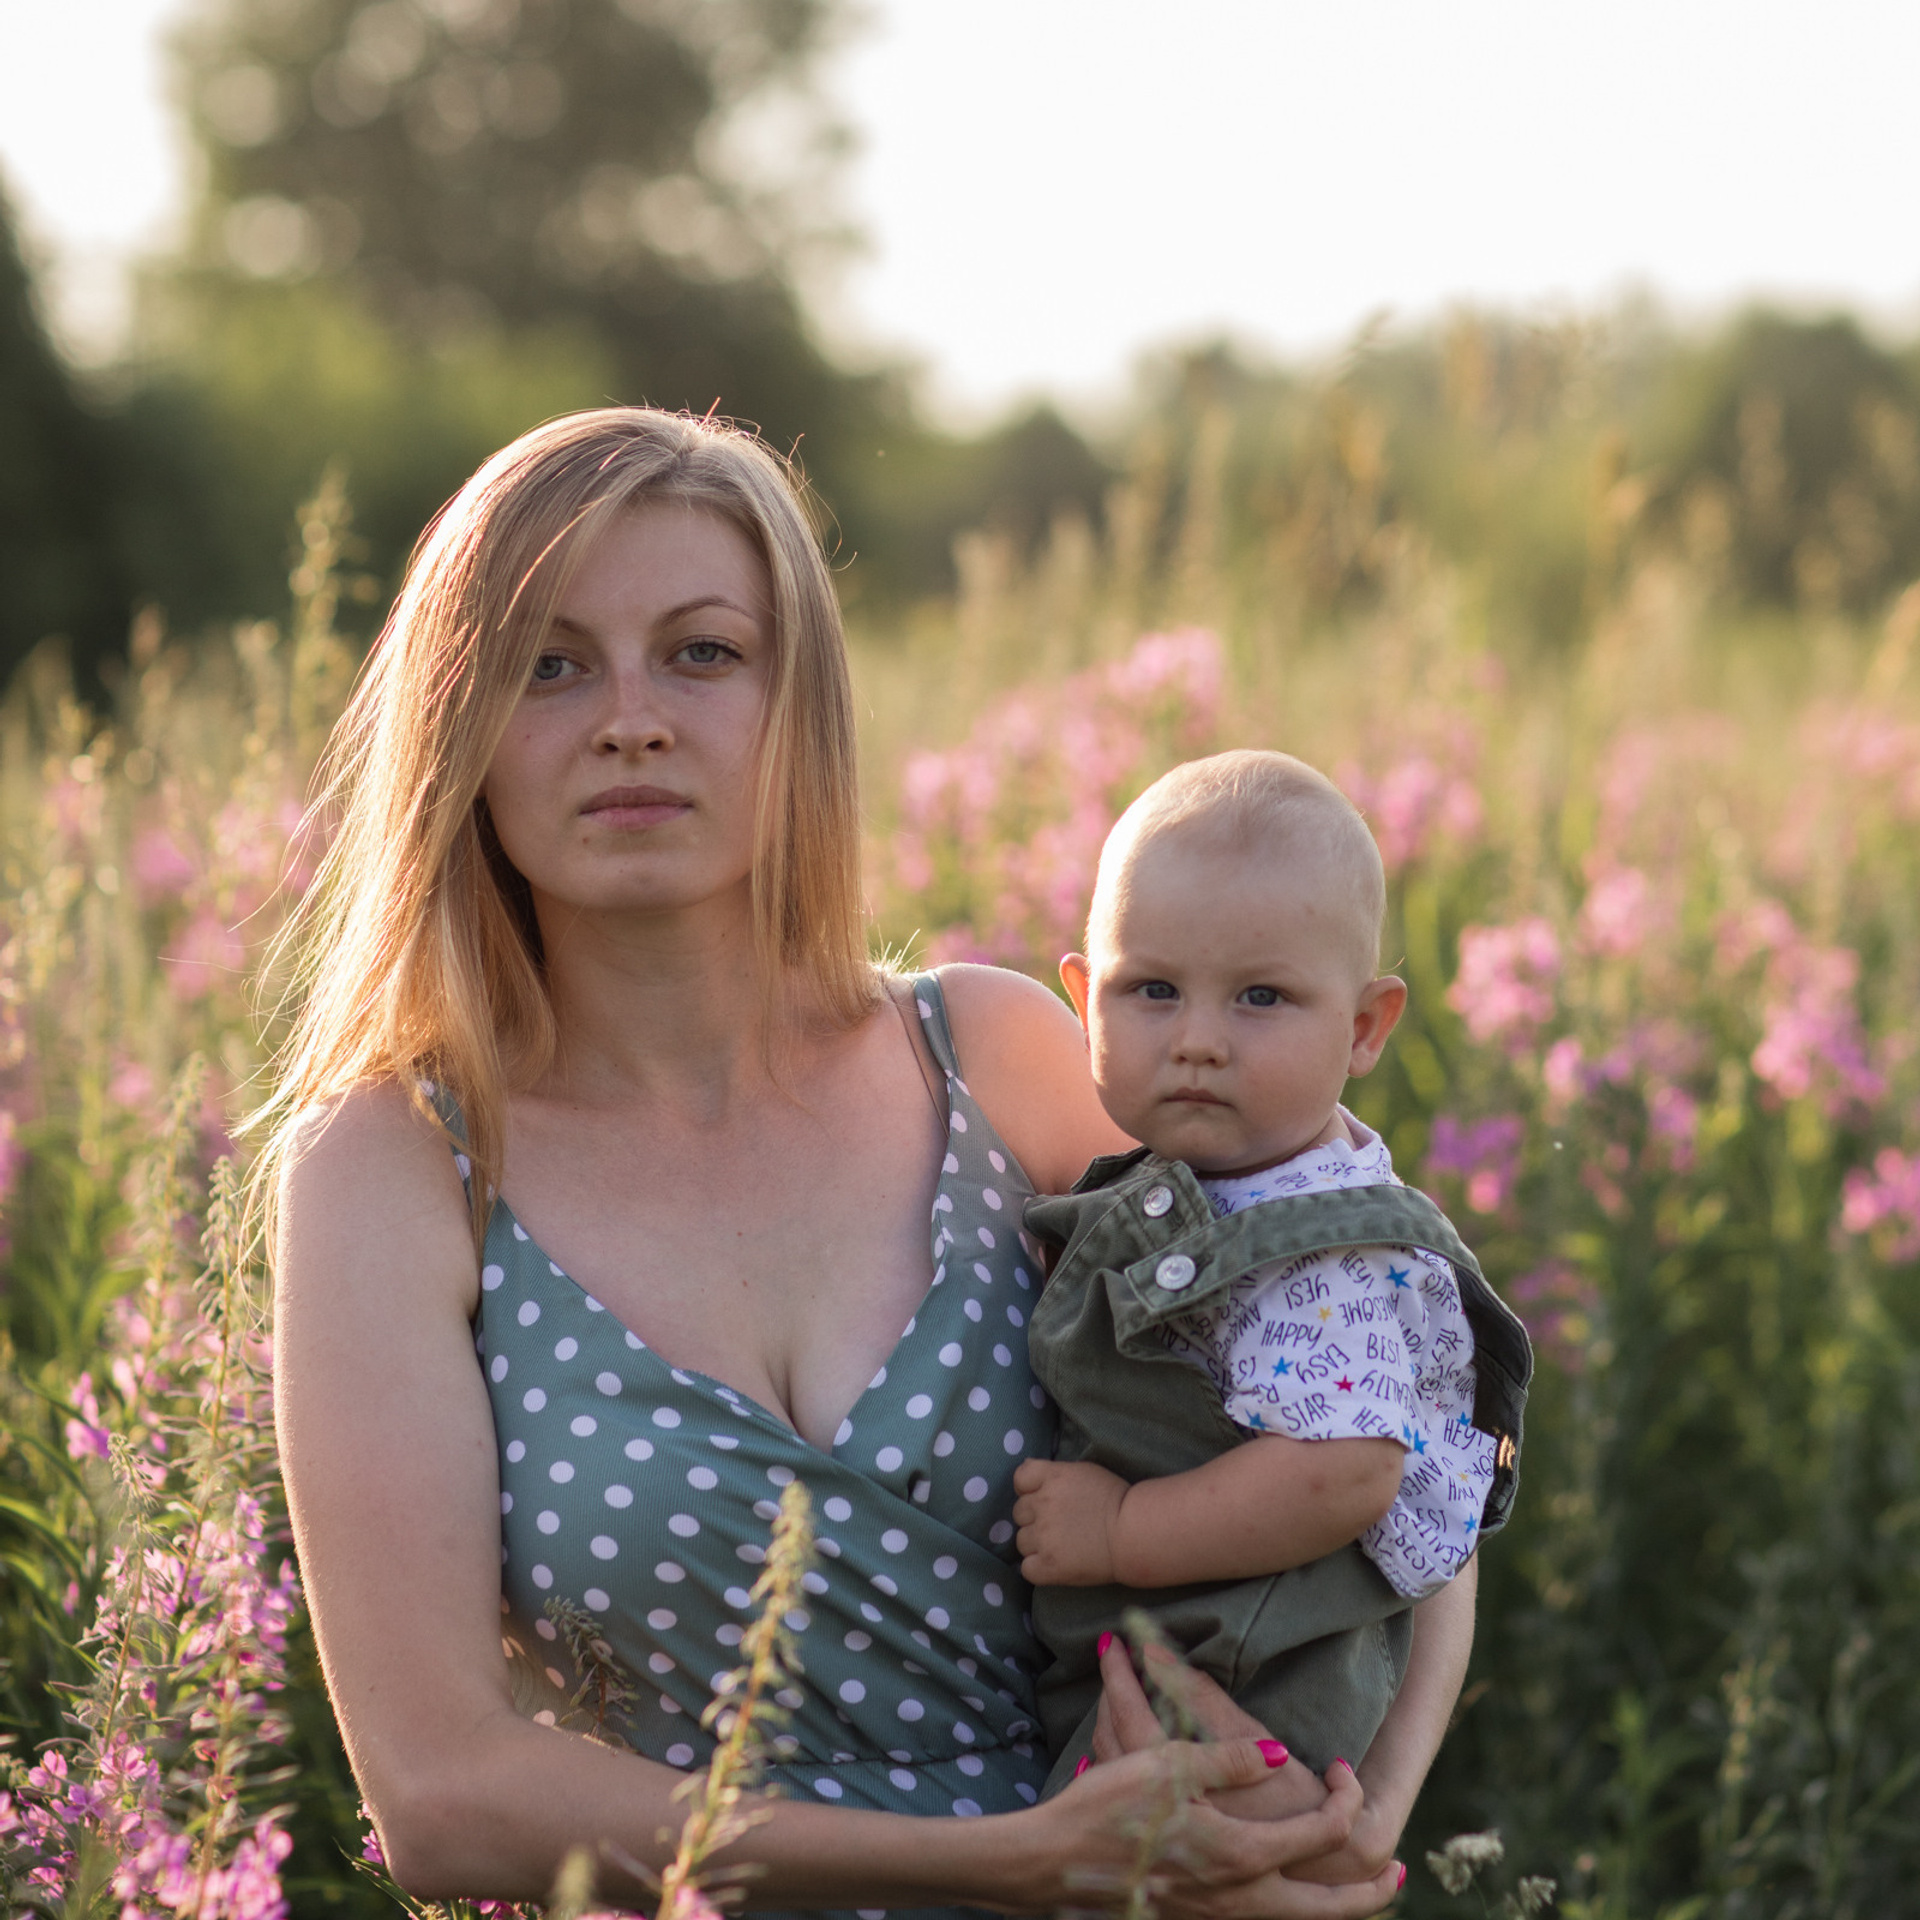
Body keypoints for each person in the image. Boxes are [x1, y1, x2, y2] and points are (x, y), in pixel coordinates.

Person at [260, 408, 1475, 1917]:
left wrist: (1361, 1823)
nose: (630, 718)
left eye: (703, 654)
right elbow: (443, 1796)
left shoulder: (1002, 1061)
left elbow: (1395, 1407)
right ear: (461, 725)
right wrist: (1006, 1862)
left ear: (801, 705)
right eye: (548, 664)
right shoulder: (397, 1166)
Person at [1012, 752, 1532, 1801]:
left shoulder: (1325, 1253)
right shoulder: (1199, 1184)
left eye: (1261, 998)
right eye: (1151, 990)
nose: (1198, 1041)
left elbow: (1345, 1470)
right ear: (1082, 998)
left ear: (1365, 1027)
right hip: (1166, 1671)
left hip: (1251, 1693)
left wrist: (1124, 1531)